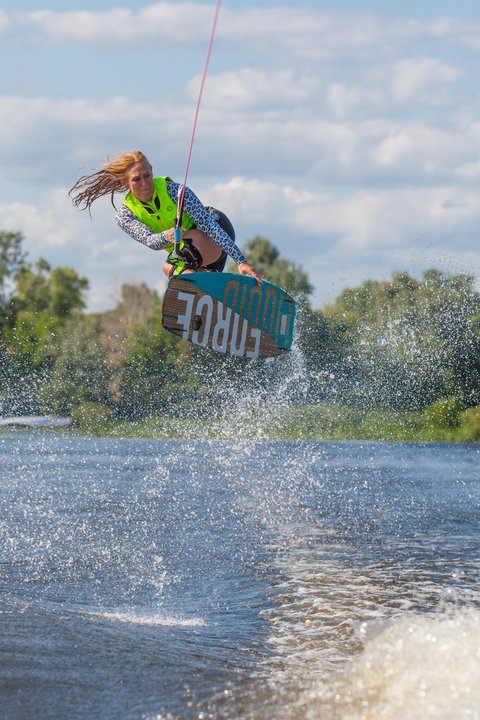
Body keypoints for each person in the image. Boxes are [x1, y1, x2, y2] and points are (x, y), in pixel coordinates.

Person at [69, 150, 263, 283]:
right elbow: (150, 241)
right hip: (189, 256)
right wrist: (166, 236)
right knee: (173, 271)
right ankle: (217, 302)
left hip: (216, 231)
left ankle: (211, 283)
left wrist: (240, 260)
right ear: (126, 183)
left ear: (152, 172)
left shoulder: (175, 192)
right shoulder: (125, 215)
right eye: (137, 179)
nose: (145, 183)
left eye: (147, 175)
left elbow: (209, 226)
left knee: (173, 262)